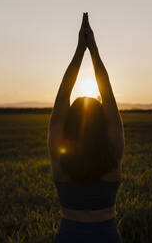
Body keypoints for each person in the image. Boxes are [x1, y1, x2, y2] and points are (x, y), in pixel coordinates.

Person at [48, 12, 124, 243]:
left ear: (69, 125)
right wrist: (93, 50)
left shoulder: (60, 160)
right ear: (102, 123)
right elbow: (108, 97)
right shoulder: (113, 154)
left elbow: (62, 98)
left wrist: (80, 50)